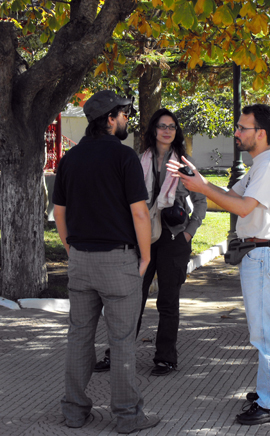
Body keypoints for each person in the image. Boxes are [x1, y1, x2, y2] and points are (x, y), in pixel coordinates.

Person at [167, 104, 270, 426]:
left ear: (260, 133)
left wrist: (203, 188)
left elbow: (244, 208)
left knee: (265, 335)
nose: (236, 133)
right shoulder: (258, 165)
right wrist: (200, 182)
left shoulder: (269, 166)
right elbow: (229, 197)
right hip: (256, 254)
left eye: (242, 128)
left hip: (262, 254)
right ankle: (269, 391)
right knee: (263, 332)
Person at [52, 90, 160, 434]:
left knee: (79, 337)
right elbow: (140, 213)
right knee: (122, 340)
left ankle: (74, 412)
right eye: (124, 114)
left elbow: (59, 212)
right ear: (110, 118)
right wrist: (145, 257)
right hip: (118, 261)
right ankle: (128, 417)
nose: (127, 118)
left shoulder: (70, 159)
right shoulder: (124, 157)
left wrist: (71, 249)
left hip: (81, 261)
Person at [95, 108, 207, 377]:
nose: (167, 131)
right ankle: (117, 353)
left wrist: (188, 232)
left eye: (171, 126)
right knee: (132, 299)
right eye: (162, 126)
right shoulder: (137, 161)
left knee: (168, 301)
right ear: (153, 130)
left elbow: (201, 200)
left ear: (176, 131)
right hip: (141, 237)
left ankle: (165, 358)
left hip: (173, 238)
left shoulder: (184, 162)